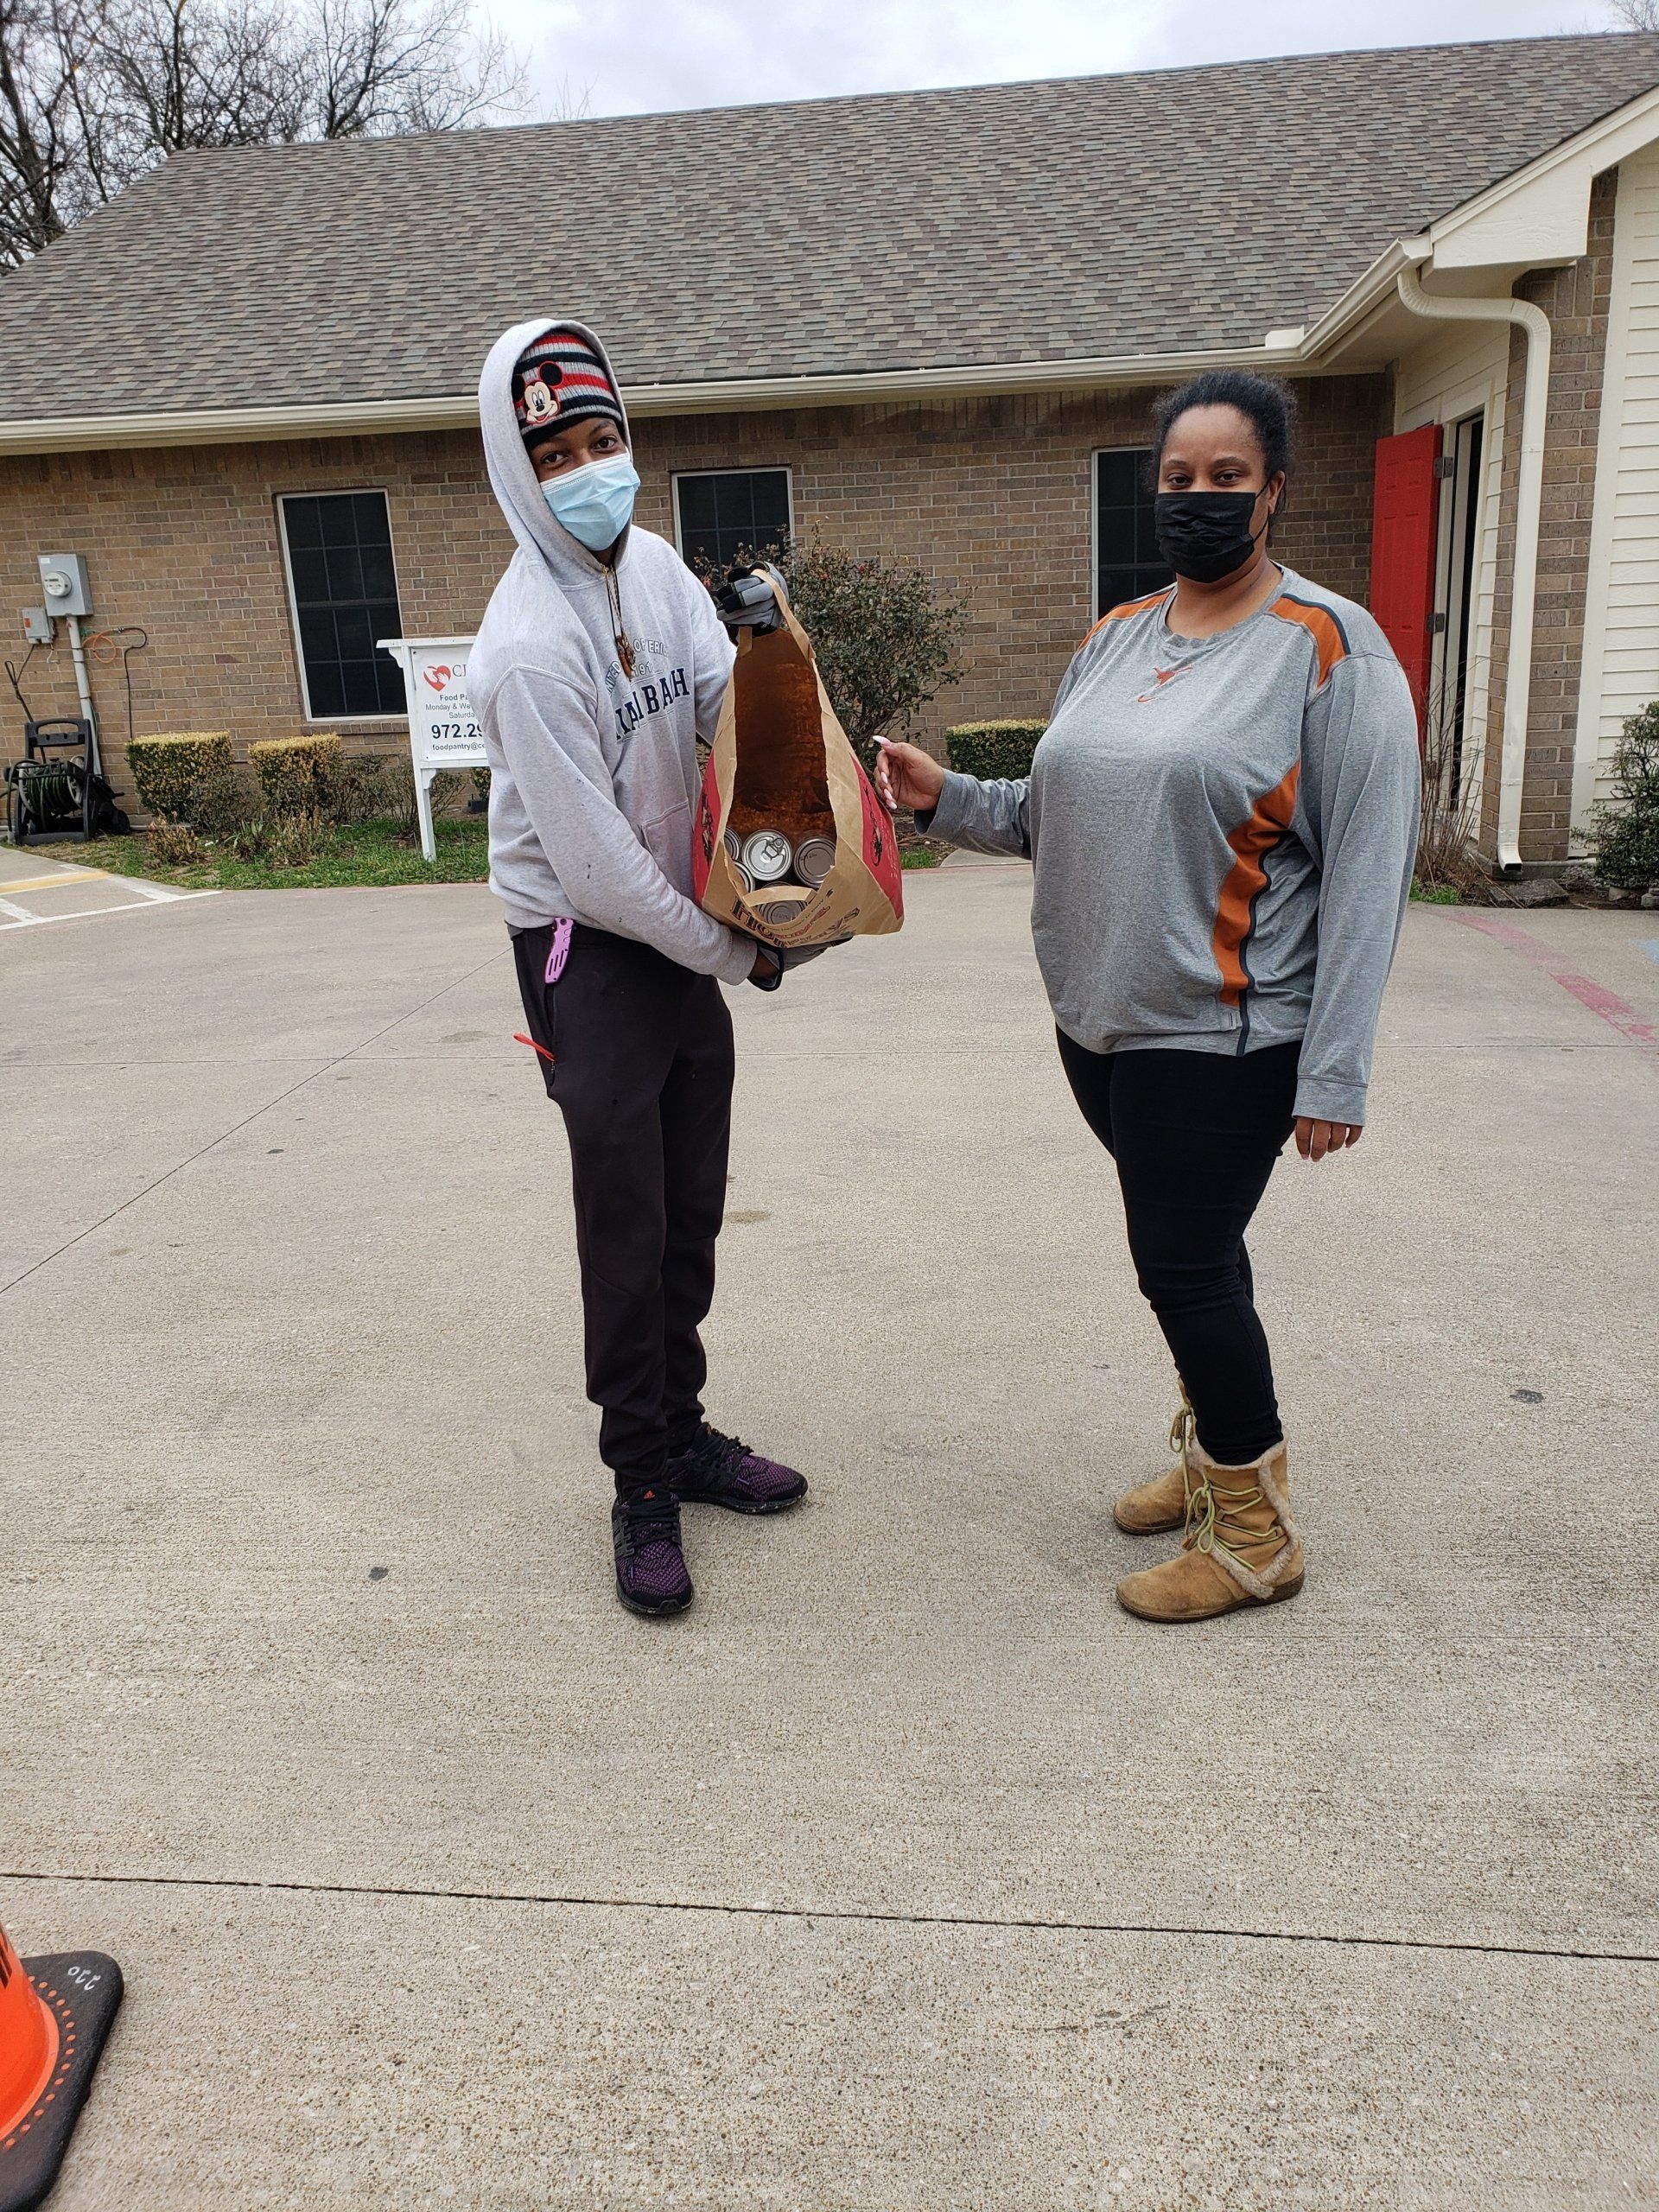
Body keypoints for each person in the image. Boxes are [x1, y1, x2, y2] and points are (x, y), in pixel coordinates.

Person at [877, 370, 1420, 1624]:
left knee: (1181, 1266)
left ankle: (1255, 1535)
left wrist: (1336, 1067)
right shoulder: (1116, 637)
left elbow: (1370, 869)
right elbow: (1052, 811)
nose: (1199, 498)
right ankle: (1216, 1454)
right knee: (1195, 1255)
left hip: (1226, 1031)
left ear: (1273, 492)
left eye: (1228, 477)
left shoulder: (1329, 649)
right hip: (1100, 1023)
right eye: (1179, 478)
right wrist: (946, 796)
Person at [468, 319, 808, 1620]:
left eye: (602, 440)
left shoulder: (657, 568)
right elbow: (603, 874)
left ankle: (686, 1429)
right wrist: (737, 949)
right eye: (554, 454)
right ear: (518, 472)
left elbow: (725, 710)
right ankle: (641, 1480)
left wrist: (802, 821)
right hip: (589, 946)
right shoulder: (524, 650)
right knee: (627, 1223)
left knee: (692, 1202)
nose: (588, 470)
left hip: (680, 924)